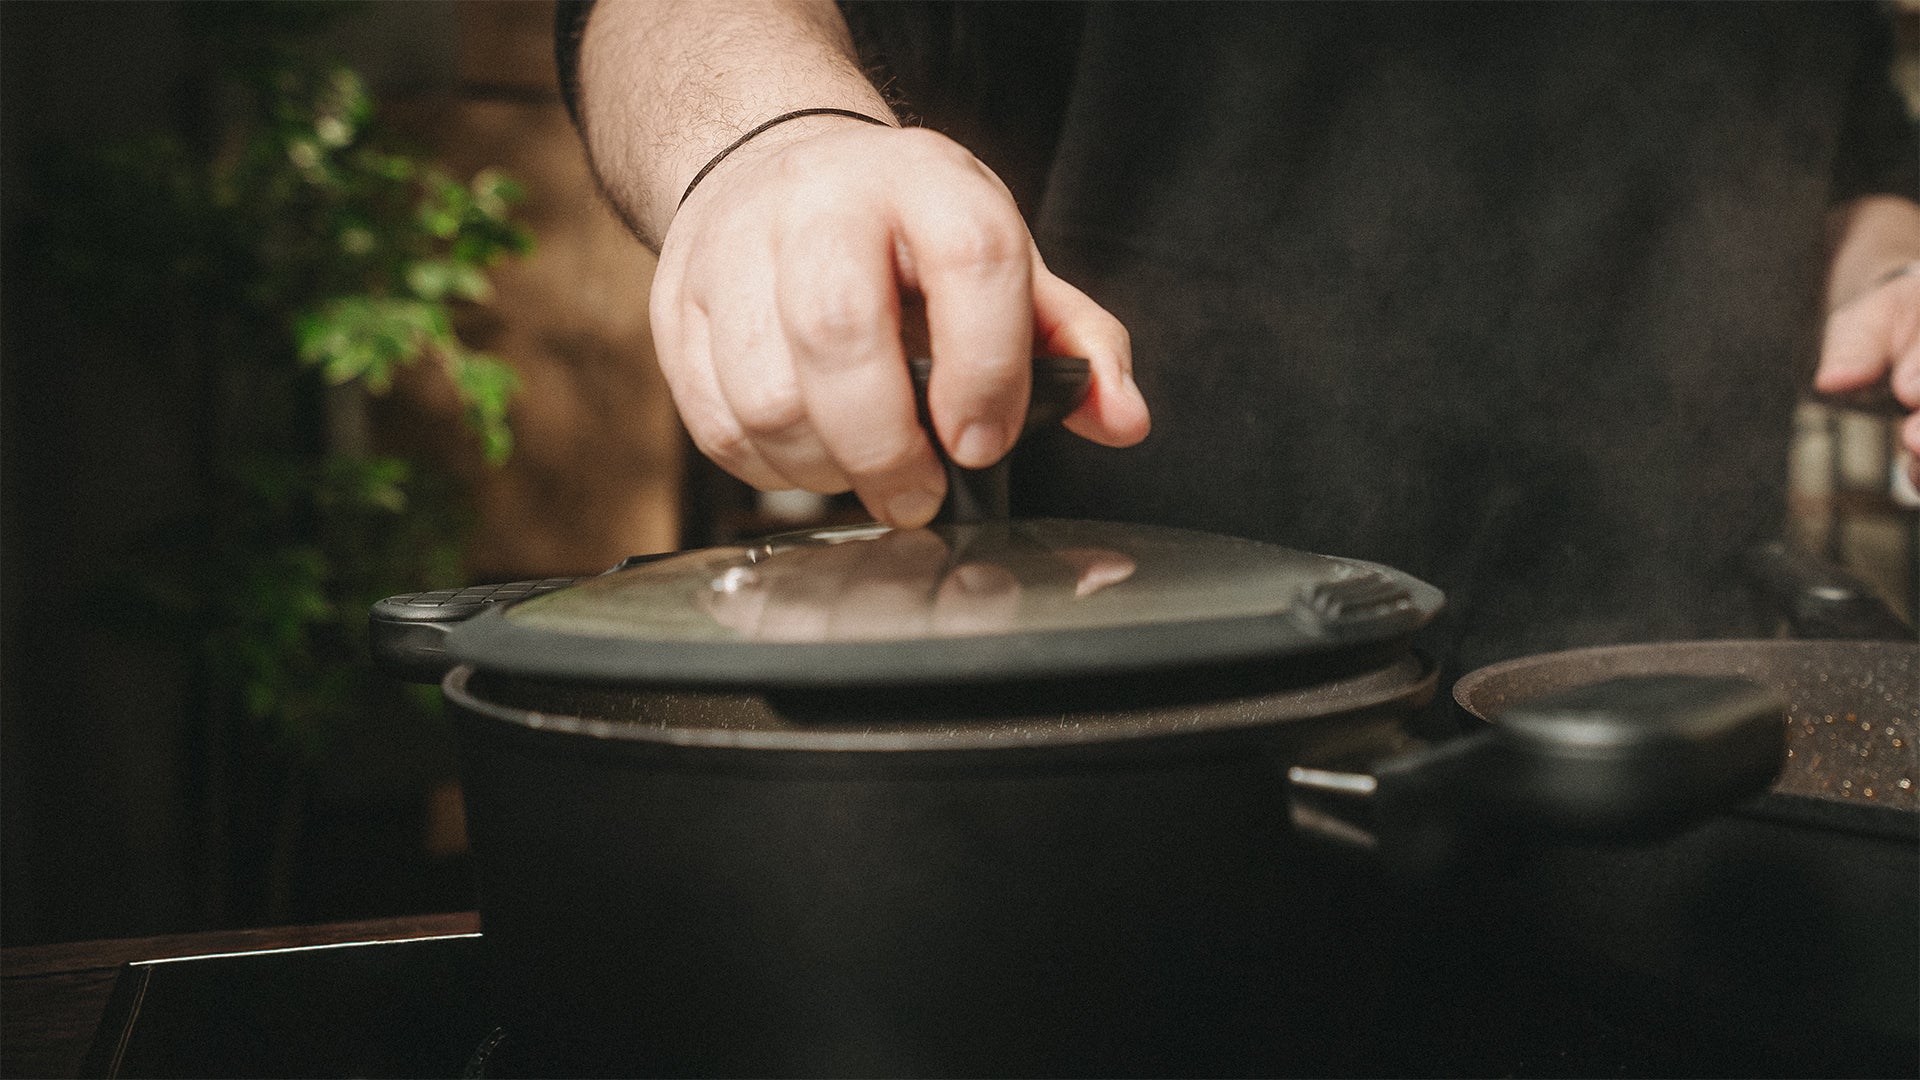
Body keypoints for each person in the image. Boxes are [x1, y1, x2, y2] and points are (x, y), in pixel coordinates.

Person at [557, 1, 1920, 677]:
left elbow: (1832, 166)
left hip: (1691, 750)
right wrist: (770, 143)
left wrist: (1900, 274)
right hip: (1112, 749)